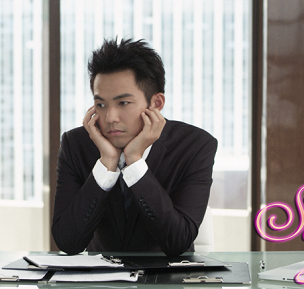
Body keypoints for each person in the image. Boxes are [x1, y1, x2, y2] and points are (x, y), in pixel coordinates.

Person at [52, 38, 218, 257]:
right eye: (101, 104)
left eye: (123, 103)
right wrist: (106, 165)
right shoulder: (76, 145)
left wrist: (135, 162)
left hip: (168, 281)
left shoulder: (195, 145)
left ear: (156, 104)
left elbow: (178, 241)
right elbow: (68, 242)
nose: (110, 117)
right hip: (101, 282)